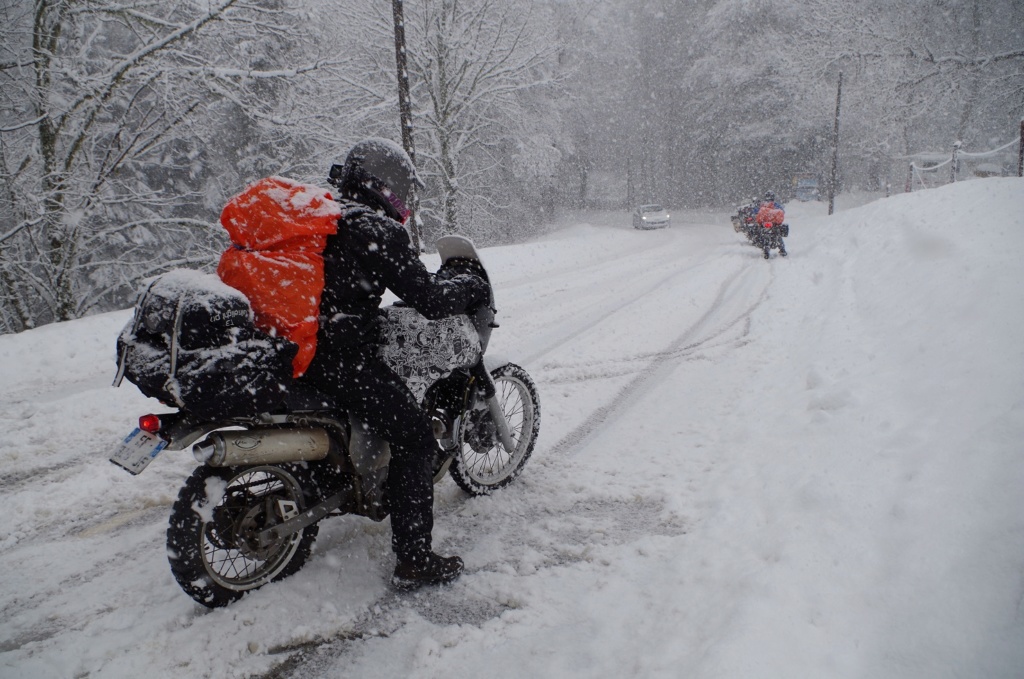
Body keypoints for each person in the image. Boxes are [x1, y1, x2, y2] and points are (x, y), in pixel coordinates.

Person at [303, 137, 488, 590]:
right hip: (340, 360)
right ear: (386, 186)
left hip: (291, 347)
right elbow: (428, 298)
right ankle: (415, 559)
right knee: (417, 438)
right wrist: (465, 284)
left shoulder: (316, 215)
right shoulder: (376, 231)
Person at [755, 190, 787, 257]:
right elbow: (782, 212)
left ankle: (766, 249)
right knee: (778, 236)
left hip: (765, 224)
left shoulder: (762, 205)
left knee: (763, 235)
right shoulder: (776, 205)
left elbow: (757, 212)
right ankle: (782, 249)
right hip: (774, 224)